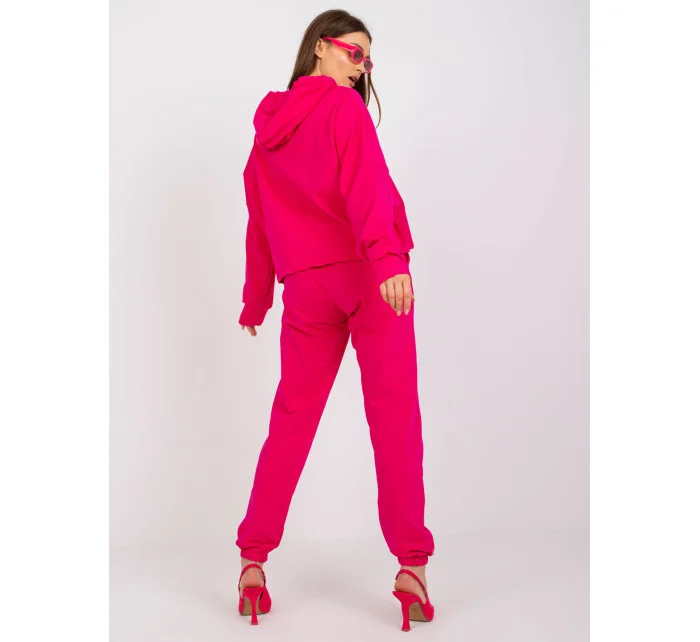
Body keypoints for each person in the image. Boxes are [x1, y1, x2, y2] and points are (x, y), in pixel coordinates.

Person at [234, 9, 435, 630]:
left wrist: (257, 298)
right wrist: (389, 258)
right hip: (370, 277)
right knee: (393, 417)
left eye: (368, 59)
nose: (361, 66)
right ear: (320, 48)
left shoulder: (266, 136)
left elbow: (259, 220)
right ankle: (411, 566)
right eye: (354, 52)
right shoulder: (344, 109)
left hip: (306, 289)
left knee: (291, 421)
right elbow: (364, 184)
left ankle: (252, 560)